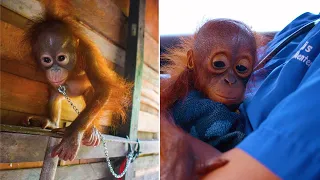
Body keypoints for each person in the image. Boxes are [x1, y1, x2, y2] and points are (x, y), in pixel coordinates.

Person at [161, 12, 320, 180]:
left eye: (241, 68)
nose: (230, 79)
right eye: (219, 64)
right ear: (192, 61)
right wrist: (167, 131)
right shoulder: (301, 23)